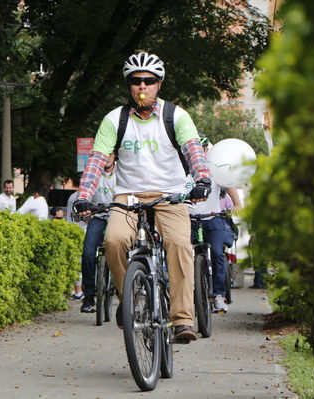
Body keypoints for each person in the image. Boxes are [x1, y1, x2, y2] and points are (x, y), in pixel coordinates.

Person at [74, 51, 212, 343]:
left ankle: (182, 319)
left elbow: (194, 152)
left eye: (149, 81)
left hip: (170, 195)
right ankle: (128, 302)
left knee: (178, 245)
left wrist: (202, 179)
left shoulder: (176, 116)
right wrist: (84, 196)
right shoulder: (115, 119)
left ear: (159, 84)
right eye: (136, 81)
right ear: (129, 85)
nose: (142, 87)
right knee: (113, 240)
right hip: (128, 196)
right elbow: (96, 162)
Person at [188, 135, 242, 313]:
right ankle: (186, 295)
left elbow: (228, 183)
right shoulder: (183, 167)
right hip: (188, 219)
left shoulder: (214, 167)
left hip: (212, 217)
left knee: (218, 254)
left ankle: (218, 295)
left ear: (206, 150)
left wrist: (237, 203)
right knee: (179, 253)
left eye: (201, 149)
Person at [80, 153, 116, 313]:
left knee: (124, 249)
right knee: (88, 253)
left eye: (110, 154)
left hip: (118, 217)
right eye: (105, 154)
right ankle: (88, 296)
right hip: (98, 217)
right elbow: (84, 193)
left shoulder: (123, 172)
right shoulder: (92, 173)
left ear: (115, 156)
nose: (107, 157)